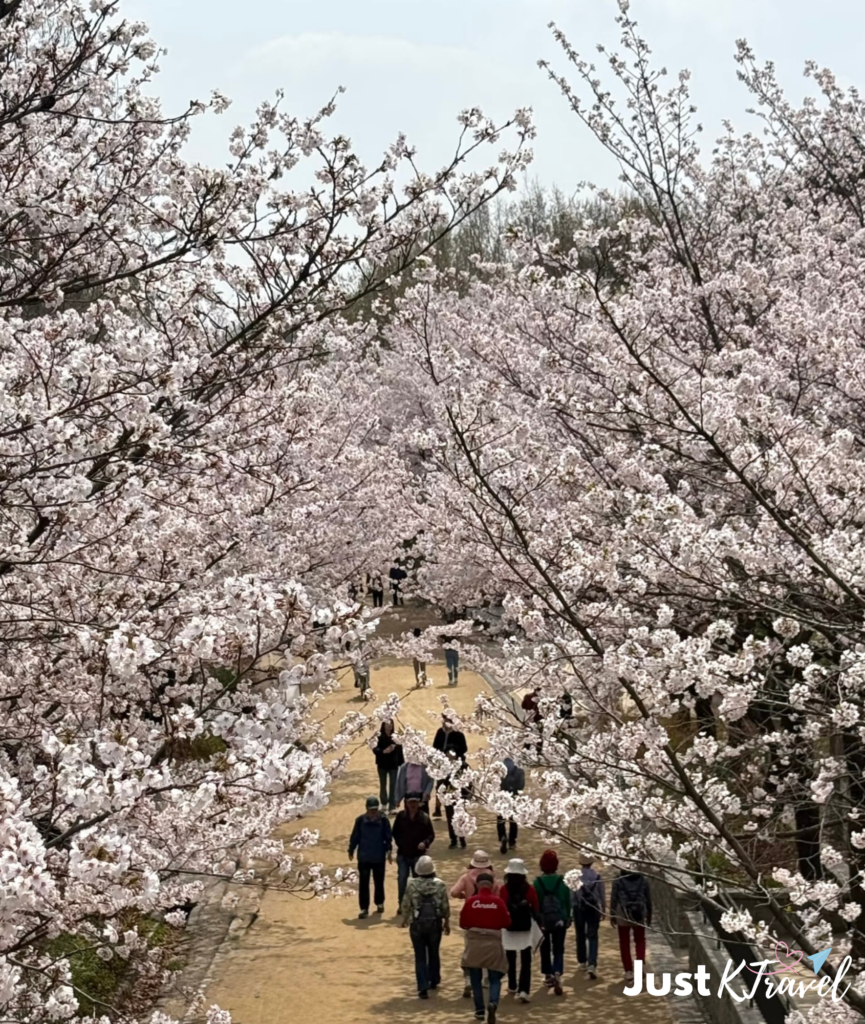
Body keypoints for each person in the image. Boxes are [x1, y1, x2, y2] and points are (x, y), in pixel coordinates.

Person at [459, 872, 510, 1023]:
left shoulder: (471, 902)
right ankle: (493, 1002)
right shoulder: (498, 902)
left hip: (474, 944)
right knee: (494, 978)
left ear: (477, 885)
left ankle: (479, 1011)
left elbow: (462, 923)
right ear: (492, 885)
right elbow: (507, 922)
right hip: (493, 944)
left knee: (475, 979)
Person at [451, 850, 500, 999]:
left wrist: (464, 896)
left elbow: (453, 892)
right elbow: (499, 896)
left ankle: (469, 979)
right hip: (490, 919)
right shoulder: (493, 879)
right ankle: (486, 977)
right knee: (488, 950)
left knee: (470, 950)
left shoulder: (466, 877)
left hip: (471, 918)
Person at [401, 855, 449, 999]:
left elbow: (405, 904)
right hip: (435, 923)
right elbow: (444, 905)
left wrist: (405, 919)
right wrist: (446, 922)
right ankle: (434, 979)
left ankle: (422, 986)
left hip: (417, 924)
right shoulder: (440, 884)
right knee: (434, 952)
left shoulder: (411, 884)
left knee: (420, 956)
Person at [499, 858, 540, 1003]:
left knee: (510, 956)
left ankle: (512, 984)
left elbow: (502, 908)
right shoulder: (529, 889)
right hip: (525, 928)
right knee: (526, 960)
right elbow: (536, 908)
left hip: (509, 927)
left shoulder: (504, 890)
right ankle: (524, 990)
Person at [347, 796, 393, 918]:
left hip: (378, 856)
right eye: (371, 809)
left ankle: (379, 902)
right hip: (364, 857)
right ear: (366, 809)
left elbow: (388, 837)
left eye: (375, 809)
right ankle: (364, 908)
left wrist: (389, 851)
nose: (373, 812)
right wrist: (351, 849)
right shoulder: (360, 821)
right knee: (363, 883)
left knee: (379, 881)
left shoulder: (383, 821)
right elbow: (355, 836)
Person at [534, 849, 571, 994]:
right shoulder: (562, 881)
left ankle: (547, 974)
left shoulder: (537, 883)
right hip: (559, 919)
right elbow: (567, 901)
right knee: (559, 948)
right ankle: (557, 972)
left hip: (544, 921)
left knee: (545, 947)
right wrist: (568, 917)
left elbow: (535, 903)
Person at [392, 793, 435, 910]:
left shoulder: (424, 818)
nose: (413, 805)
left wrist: (425, 843)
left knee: (419, 881)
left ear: (419, 803)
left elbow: (431, 835)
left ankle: (418, 905)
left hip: (418, 856)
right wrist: (400, 843)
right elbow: (394, 832)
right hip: (403, 855)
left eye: (415, 802)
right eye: (410, 802)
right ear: (406, 803)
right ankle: (402, 904)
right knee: (402, 879)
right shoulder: (401, 817)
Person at [610, 867, 652, 982]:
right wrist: (649, 915)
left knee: (624, 942)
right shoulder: (643, 879)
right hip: (639, 913)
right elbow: (648, 899)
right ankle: (639, 966)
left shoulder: (618, 880)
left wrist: (612, 914)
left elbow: (614, 898)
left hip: (622, 913)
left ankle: (628, 970)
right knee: (639, 940)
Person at [574, 853, 606, 979]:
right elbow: (601, 893)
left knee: (580, 934)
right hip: (593, 907)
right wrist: (603, 908)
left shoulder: (576, 876)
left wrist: (573, 907)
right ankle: (592, 963)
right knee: (593, 935)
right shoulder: (597, 876)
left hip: (579, 907)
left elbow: (573, 894)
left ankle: (582, 961)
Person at [432, 714, 468, 822]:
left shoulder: (458, 734)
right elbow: (435, 746)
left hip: (455, 763)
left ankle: (453, 806)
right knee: (439, 785)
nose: (445, 723)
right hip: (442, 762)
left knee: (453, 785)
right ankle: (437, 807)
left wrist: (454, 752)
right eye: (444, 720)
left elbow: (464, 748)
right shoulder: (440, 732)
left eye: (447, 721)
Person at [372, 719, 404, 813]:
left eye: (391, 724)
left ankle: (392, 806)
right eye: (387, 724)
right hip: (382, 764)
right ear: (384, 725)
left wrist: (402, 764)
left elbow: (400, 751)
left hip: (393, 764)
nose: (389, 726)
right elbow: (375, 749)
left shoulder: (396, 737)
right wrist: (383, 751)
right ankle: (384, 803)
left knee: (393, 785)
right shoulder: (379, 737)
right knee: (383, 784)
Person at [497, 756, 525, 855]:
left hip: (502, 796)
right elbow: (521, 785)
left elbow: (496, 783)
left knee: (501, 819)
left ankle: (502, 837)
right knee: (513, 820)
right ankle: (512, 841)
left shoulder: (500, 767)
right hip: (514, 796)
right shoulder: (519, 770)